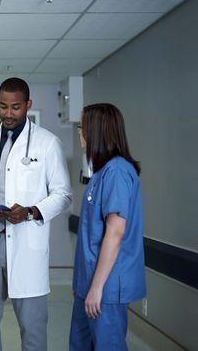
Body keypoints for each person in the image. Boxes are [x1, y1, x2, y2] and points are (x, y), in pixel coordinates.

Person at [0, 77, 72, 351]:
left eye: (15, 107)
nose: (8, 114)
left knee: (33, 328)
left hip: (25, 244)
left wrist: (32, 211)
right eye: (3, 106)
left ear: (28, 105)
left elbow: (63, 194)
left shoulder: (47, 143)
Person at [70, 103, 146, 350]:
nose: (80, 132)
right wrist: (81, 285)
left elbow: (115, 233)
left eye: (83, 126)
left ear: (97, 131)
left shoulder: (117, 172)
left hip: (106, 288)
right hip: (88, 284)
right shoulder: (101, 173)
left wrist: (96, 287)